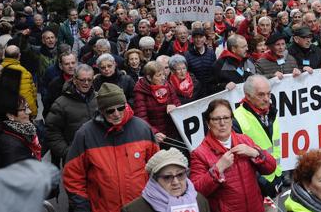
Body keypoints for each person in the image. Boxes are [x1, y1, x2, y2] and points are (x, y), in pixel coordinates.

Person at [63, 83, 159, 212]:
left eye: (120, 108)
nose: (117, 114)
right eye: (110, 110)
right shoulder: (85, 134)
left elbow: (157, 170)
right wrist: (83, 207)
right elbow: (73, 176)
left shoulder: (143, 129)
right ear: (101, 110)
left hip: (140, 207)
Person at [189, 99, 276, 212]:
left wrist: (255, 153)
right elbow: (197, 190)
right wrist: (217, 169)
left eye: (226, 118)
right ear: (208, 123)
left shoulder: (244, 140)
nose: (222, 123)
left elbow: (271, 167)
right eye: (216, 119)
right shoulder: (199, 153)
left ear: (231, 120)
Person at [232, 75, 284, 199]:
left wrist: (279, 176)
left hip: (274, 178)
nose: (267, 99)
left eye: (269, 94)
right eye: (261, 95)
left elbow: (275, 147)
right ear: (248, 96)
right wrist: (263, 184)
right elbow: (240, 161)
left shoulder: (271, 112)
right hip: (255, 187)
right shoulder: (237, 119)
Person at [122, 148, 210, 212]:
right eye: (167, 177)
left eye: (180, 175)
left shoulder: (200, 201)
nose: (176, 182)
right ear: (154, 180)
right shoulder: (133, 210)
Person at [45, 64, 98, 166]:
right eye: (82, 80)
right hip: (74, 161)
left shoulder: (99, 99)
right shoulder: (61, 103)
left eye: (89, 80)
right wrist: (67, 152)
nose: (86, 83)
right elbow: (52, 132)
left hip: (98, 157)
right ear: (74, 80)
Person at [134, 61, 181, 146]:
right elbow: (141, 119)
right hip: (157, 138)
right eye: (159, 75)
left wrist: (175, 107)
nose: (163, 78)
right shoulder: (140, 92)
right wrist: (154, 133)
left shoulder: (167, 85)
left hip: (173, 135)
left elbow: (177, 103)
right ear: (149, 77)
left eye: (163, 74)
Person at [0, 96, 41, 168]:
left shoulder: (24, 131)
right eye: (24, 109)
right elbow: (18, 176)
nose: (29, 111)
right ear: (10, 115)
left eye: (28, 107)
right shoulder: (11, 145)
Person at [1, 45, 37, 119]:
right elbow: (26, 95)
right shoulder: (22, 72)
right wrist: (33, 112)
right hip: (17, 114)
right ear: (19, 55)